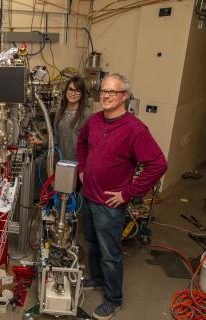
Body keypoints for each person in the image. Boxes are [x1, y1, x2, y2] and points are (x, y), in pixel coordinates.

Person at [76, 73, 167, 320]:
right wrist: (83, 170)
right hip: (89, 196)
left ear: (125, 96)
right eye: (103, 90)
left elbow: (158, 164)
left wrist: (128, 193)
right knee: (92, 244)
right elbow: (82, 144)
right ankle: (96, 279)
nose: (105, 95)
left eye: (112, 92)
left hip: (110, 205)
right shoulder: (94, 121)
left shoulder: (135, 129)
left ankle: (113, 299)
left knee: (109, 253)